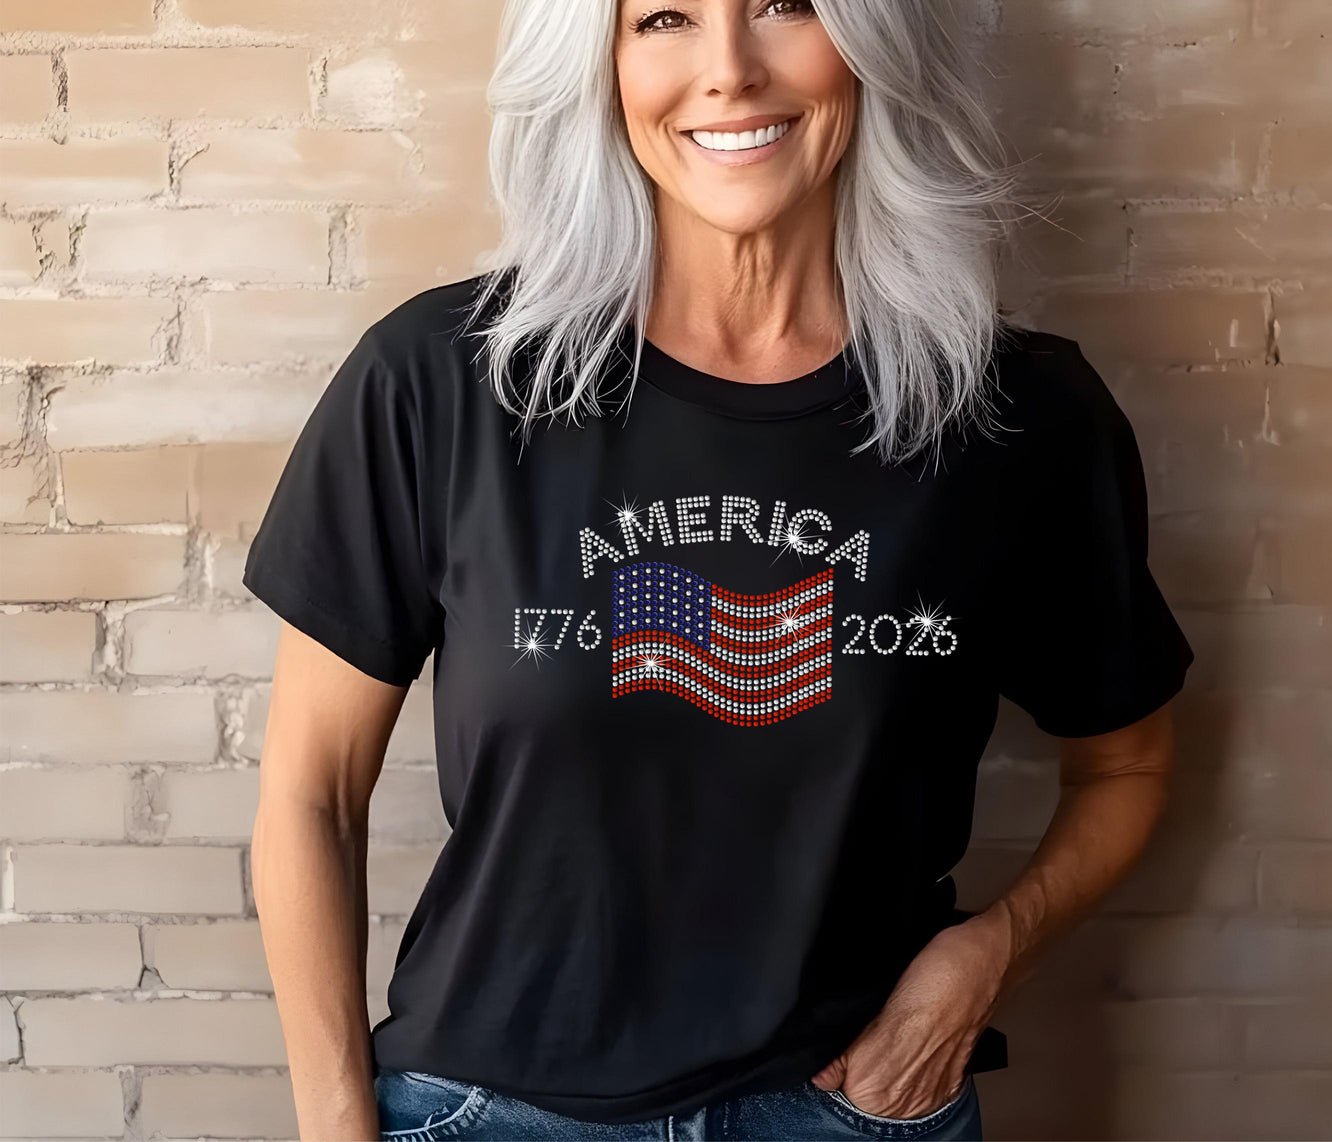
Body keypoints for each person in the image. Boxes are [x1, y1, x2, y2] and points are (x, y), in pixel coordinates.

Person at [242, 0, 1196, 1138]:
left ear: (869, 40)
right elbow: (311, 796)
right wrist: (336, 1125)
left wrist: (990, 954)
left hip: (853, 1109)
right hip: (496, 1110)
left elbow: (1127, 766)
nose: (730, 72)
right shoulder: (443, 383)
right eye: (665, 19)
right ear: (600, 64)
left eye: (786, 7)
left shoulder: (1015, 416)